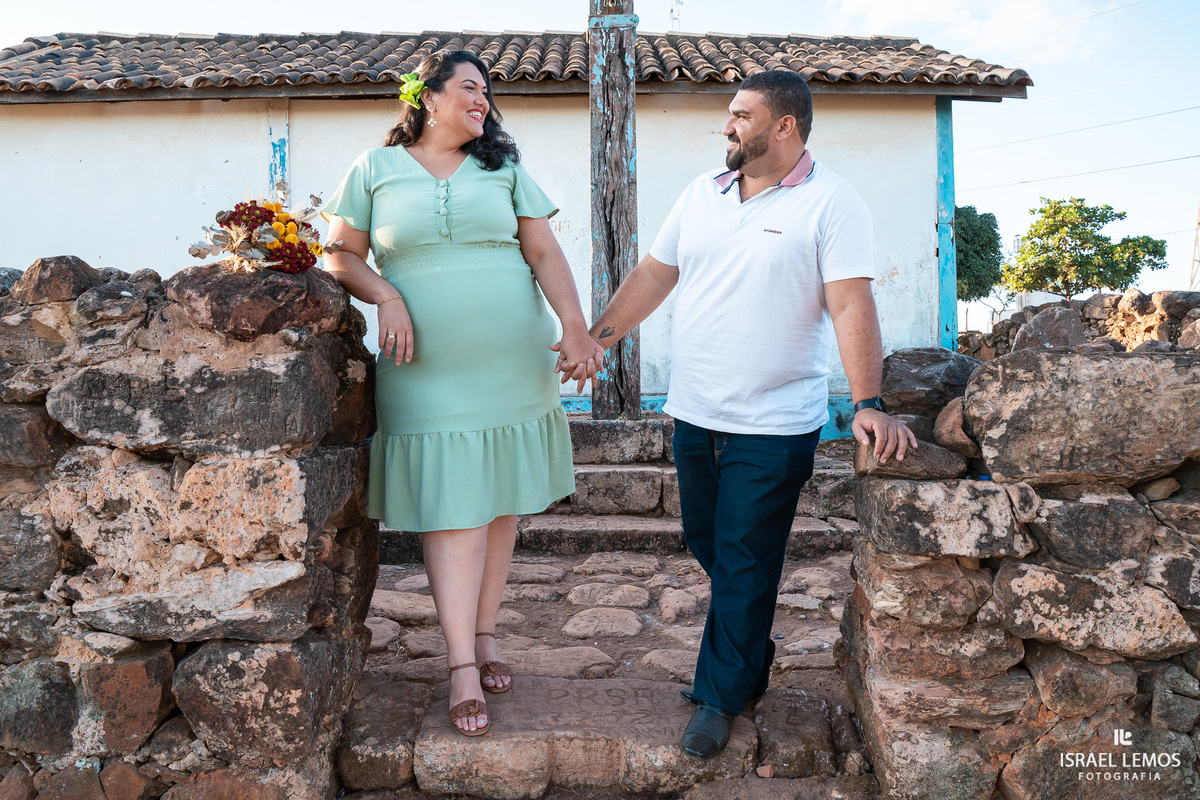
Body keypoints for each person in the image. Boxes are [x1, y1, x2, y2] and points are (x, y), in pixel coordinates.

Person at [556, 70, 916, 760]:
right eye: (729, 113)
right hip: (695, 413)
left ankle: (719, 698)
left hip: (777, 422)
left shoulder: (833, 202)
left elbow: (849, 304)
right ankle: (748, 654)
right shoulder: (702, 193)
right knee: (708, 543)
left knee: (747, 559)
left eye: (741, 115)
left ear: (784, 126)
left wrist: (867, 403)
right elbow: (655, 276)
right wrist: (596, 340)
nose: (728, 125)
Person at [323, 50, 604, 737]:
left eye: (487, 92)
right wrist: (385, 294)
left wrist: (574, 327)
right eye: (470, 88)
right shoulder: (374, 169)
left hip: (512, 362)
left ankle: (484, 636)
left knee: (500, 504)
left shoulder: (501, 168)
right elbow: (340, 253)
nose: (483, 101)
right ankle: (459, 666)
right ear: (428, 97)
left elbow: (543, 253)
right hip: (423, 367)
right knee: (454, 508)